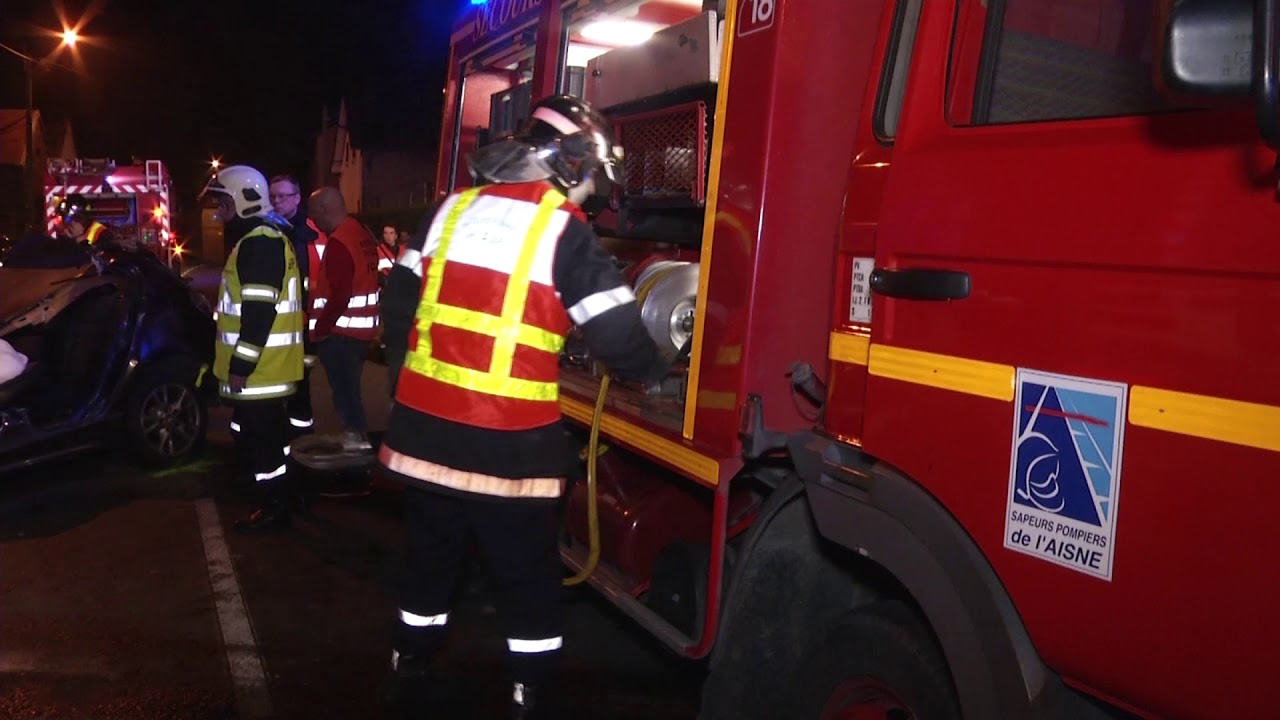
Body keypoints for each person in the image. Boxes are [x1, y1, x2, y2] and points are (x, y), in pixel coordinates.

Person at [377, 95, 676, 719]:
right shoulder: (564, 230)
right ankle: (527, 691)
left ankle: (410, 666)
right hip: (509, 447)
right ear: (567, 163)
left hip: (425, 437)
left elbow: (399, 309)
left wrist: (412, 390)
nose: (591, 193)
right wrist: (661, 369)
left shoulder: (447, 211)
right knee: (525, 573)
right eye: (590, 176)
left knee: (432, 557)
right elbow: (619, 338)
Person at [203, 165, 306, 531]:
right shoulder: (262, 239)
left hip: (261, 373)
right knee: (262, 440)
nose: (220, 210)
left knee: (262, 445)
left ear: (244, 199)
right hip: (266, 371)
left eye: (223, 200)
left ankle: (273, 507)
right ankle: (276, 498)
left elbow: (259, 314)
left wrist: (241, 366)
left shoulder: (259, 243)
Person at [306, 186, 381, 454]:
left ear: (326, 210)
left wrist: (321, 329)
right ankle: (355, 432)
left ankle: (355, 435)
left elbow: (340, 294)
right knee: (350, 387)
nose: (313, 221)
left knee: (345, 390)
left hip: (341, 334)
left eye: (315, 214)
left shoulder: (339, 241)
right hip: (359, 332)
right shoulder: (359, 234)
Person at [269, 174, 320, 437]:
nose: (276, 201)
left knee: (300, 380)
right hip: (280, 321)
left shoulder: (309, 232)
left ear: (298, 198)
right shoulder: (270, 229)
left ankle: (300, 433)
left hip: (304, 322)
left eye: (283, 196)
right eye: (273, 196)